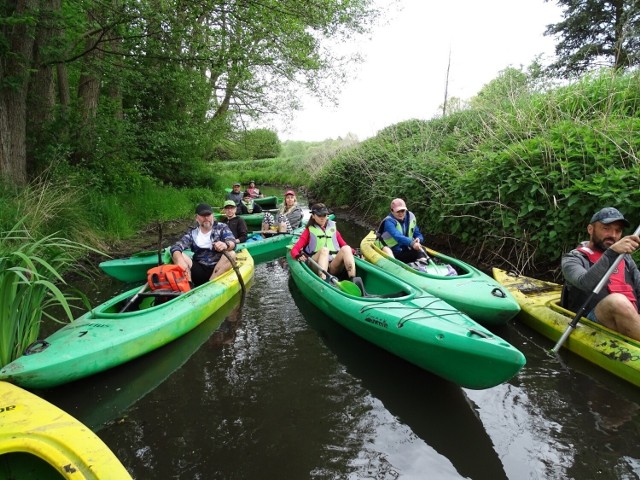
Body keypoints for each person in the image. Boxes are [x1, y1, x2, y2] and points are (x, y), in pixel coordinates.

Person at [561, 206, 640, 341]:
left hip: (630, 317)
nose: (613, 235)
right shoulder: (573, 258)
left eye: (618, 230)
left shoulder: (625, 259)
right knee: (617, 301)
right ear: (590, 229)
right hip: (589, 321)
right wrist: (612, 253)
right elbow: (584, 283)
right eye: (606, 228)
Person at [170, 203, 237, 287]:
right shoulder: (192, 232)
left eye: (208, 215)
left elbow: (232, 242)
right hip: (199, 268)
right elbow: (177, 245)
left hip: (218, 267)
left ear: (212, 215)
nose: (206, 218)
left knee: (232, 254)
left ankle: (211, 284)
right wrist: (179, 258)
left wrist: (225, 245)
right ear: (197, 217)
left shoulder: (222, 227)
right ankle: (188, 285)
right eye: (202, 215)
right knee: (177, 253)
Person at [290, 203, 357, 281]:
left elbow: (343, 244)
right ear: (313, 216)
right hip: (316, 265)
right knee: (324, 250)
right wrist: (298, 256)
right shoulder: (308, 231)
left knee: (346, 248)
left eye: (324, 215)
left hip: (332, 265)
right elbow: (294, 249)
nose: (322, 218)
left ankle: (353, 279)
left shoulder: (332, 229)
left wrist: (355, 252)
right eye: (319, 215)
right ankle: (324, 281)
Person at [376, 198, 427, 264]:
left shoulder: (410, 218)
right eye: (398, 211)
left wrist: (419, 239)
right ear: (392, 211)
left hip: (404, 250)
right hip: (393, 250)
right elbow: (397, 236)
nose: (400, 214)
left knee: (422, 249)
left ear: (405, 210)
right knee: (388, 250)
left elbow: (417, 233)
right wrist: (412, 243)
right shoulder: (389, 222)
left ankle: (422, 264)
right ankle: (395, 265)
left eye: (402, 211)